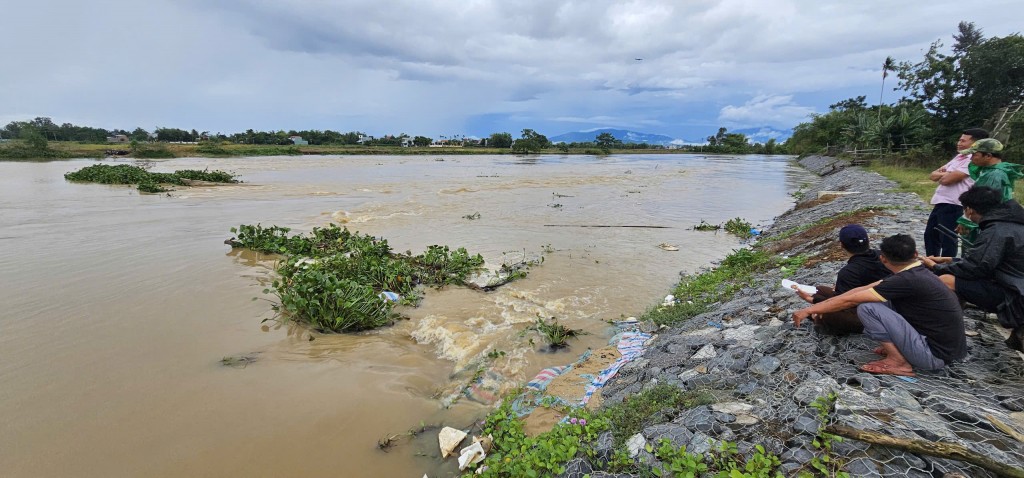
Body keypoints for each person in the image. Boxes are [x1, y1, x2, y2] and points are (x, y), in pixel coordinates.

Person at [793, 234, 966, 376]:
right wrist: (816, 303)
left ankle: (898, 362)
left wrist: (809, 309)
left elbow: (852, 300)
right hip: (949, 350)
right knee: (878, 300)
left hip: (933, 356)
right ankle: (901, 349)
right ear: (915, 254)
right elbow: (862, 290)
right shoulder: (915, 272)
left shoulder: (906, 280)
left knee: (868, 308)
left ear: (883, 258)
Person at [922, 186, 1024, 351]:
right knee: (954, 274)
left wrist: (936, 266)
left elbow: (975, 267)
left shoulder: (996, 230)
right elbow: (991, 261)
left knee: (946, 280)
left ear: (969, 210)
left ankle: (945, 337)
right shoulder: (1012, 222)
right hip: (1015, 284)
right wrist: (949, 260)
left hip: (1015, 296)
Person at [792, 224, 891, 334]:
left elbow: (844, 303)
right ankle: (818, 309)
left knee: (827, 315)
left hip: (870, 310)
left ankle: (821, 319)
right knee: (819, 290)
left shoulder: (848, 272)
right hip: (879, 299)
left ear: (842, 245)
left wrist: (811, 300)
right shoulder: (882, 255)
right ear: (867, 240)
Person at [923, 128, 986, 257]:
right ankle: (931, 263)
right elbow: (932, 175)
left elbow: (947, 180)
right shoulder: (959, 157)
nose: (959, 143)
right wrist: (948, 174)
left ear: (975, 143)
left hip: (955, 203)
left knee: (948, 238)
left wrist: (945, 174)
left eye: (963, 141)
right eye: (959, 140)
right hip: (941, 201)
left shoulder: (971, 160)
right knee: (930, 234)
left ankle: (946, 267)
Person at [956, 138, 1023, 245]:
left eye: (974, 155)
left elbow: (982, 203)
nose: (971, 158)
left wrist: (966, 222)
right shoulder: (988, 171)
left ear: (988, 156)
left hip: (984, 224)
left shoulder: (994, 175)